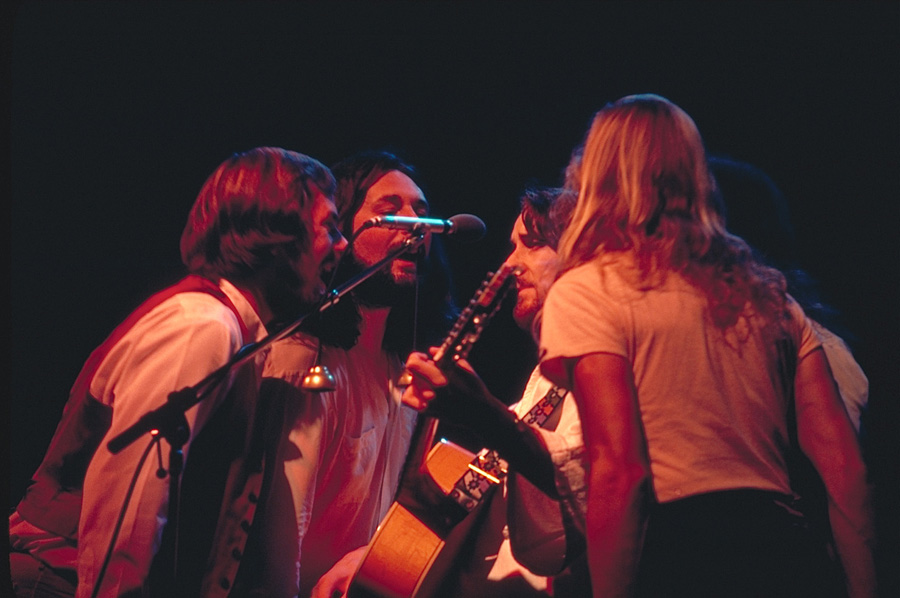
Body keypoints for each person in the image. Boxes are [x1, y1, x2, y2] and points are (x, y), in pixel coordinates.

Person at [537, 94, 876, 597]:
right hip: (785, 554)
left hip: (682, 553)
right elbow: (846, 471)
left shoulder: (588, 292)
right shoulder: (769, 300)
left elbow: (620, 471)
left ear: (595, 171)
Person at [8, 147, 347, 598]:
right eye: (329, 226)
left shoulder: (234, 330)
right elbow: (129, 498)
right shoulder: (202, 326)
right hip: (56, 581)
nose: (343, 245)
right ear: (276, 231)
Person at [256, 150, 457, 598]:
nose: (416, 226)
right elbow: (278, 536)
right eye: (390, 212)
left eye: (422, 213)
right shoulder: (303, 359)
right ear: (344, 228)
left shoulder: (403, 368)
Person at [401, 185, 590, 597]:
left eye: (533, 245)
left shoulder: (602, 369)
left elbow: (581, 485)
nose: (509, 265)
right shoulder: (543, 380)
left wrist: (480, 412)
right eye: (511, 248)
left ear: (584, 257)